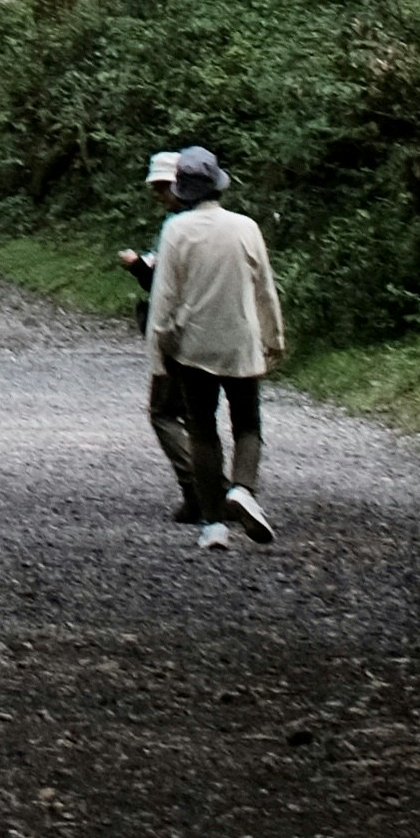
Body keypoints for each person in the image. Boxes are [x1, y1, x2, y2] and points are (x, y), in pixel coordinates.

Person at [138, 142, 284, 544]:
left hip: (192, 344)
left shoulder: (176, 230)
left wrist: (160, 348)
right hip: (240, 339)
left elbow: (165, 295)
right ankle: (242, 489)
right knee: (247, 422)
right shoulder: (246, 227)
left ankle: (213, 525)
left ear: (183, 190)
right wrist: (274, 339)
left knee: (202, 430)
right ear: (218, 185)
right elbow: (265, 290)